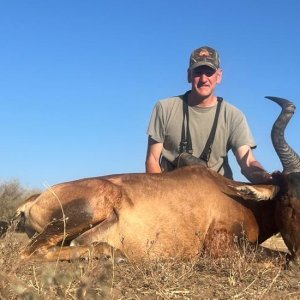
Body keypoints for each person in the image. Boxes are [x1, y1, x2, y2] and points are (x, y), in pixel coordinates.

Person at [145, 46, 272, 183]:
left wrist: (267, 177)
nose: (204, 79)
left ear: (219, 76)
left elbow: (247, 162)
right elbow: (152, 160)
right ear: (189, 75)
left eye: (209, 72)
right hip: (173, 192)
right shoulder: (164, 108)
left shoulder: (234, 115)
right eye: (198, 72)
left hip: (218, 195)